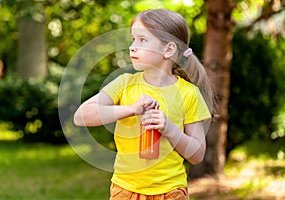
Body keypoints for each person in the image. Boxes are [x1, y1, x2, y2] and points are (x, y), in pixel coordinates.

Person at [74, 8, 214, 200]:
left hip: (171, 192)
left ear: (168, 49)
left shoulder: (188, 94)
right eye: (133, 39)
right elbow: (81, 116)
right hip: (125, 190)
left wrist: (169, 129)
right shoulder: (124, 84)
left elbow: (197, 155)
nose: (132, 46)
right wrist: (130, 109)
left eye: (142, 40)